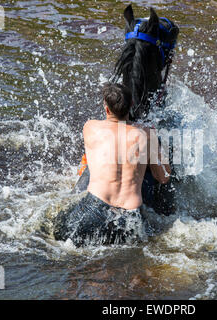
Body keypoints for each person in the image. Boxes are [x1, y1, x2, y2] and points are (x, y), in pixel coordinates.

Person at [53, 83, 170, 246]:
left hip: (94, 210)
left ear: (107, 109)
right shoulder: (147, 134)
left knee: (57, 232)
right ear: (131, 105)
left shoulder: (90, 127)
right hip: (130, 219)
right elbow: (163, 177)